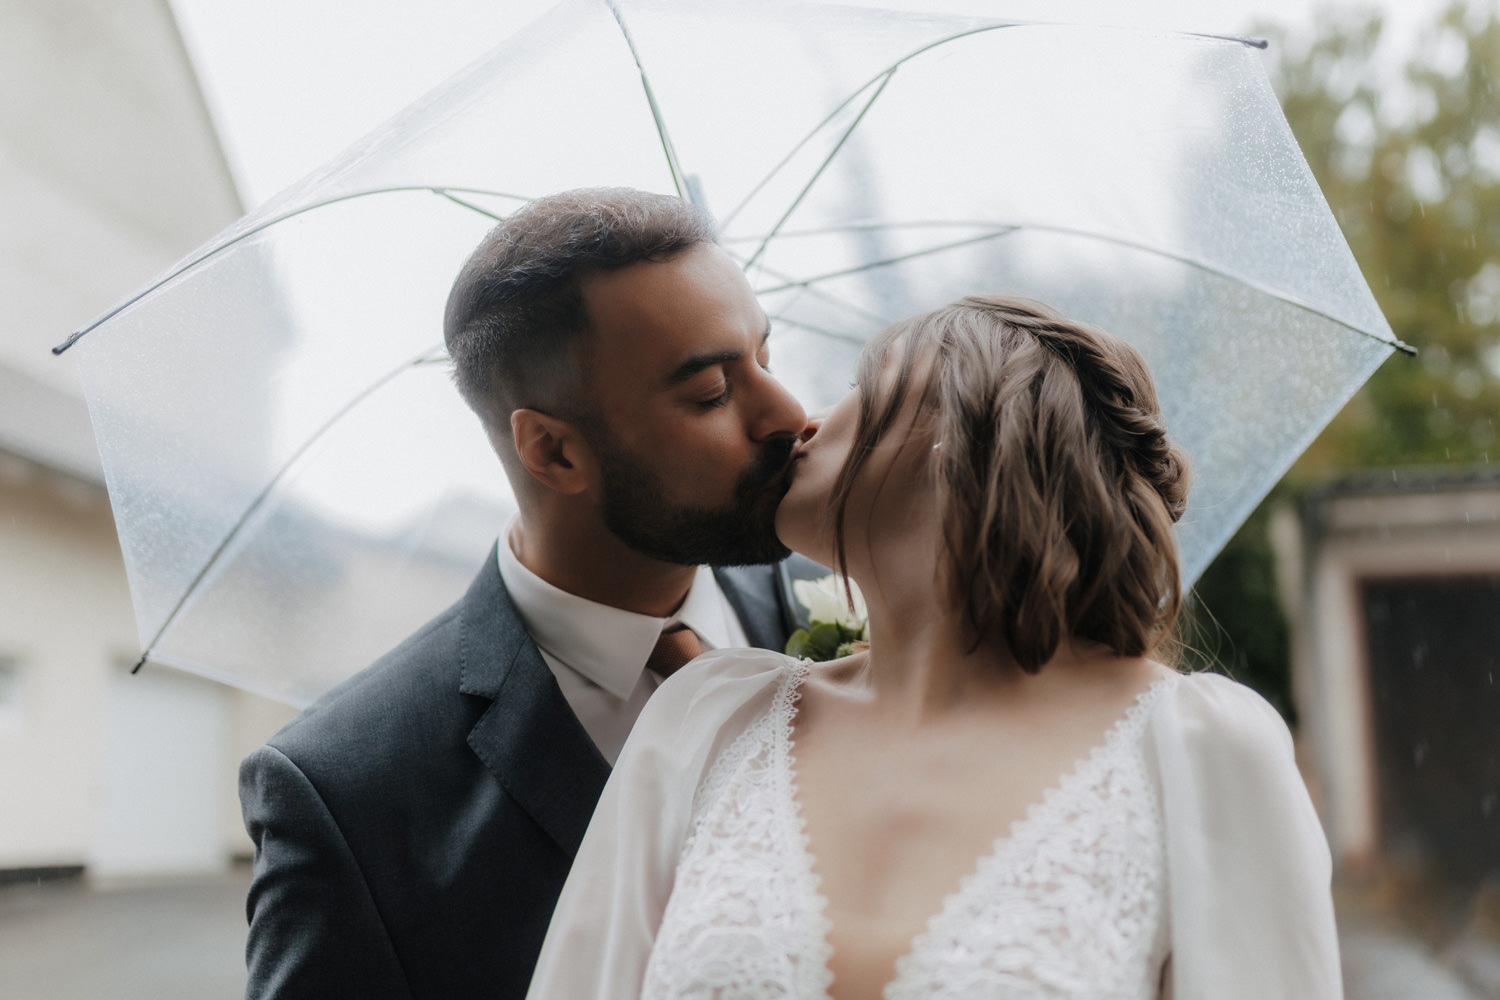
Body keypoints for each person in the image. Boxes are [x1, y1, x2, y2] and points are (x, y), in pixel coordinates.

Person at [527, 294, 1343, 999]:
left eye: (858, 384)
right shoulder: (706, 722)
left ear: (969, 423)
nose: (800, 421)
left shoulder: (1200, 751)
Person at [238, 188, 821, 1000]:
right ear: (553, 450)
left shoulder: (866, 610)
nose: (790, 416)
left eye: (765, 356)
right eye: (711, 394)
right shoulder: (344, 795)